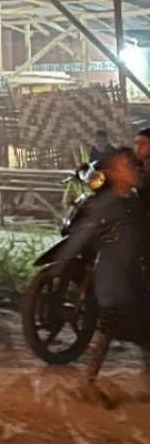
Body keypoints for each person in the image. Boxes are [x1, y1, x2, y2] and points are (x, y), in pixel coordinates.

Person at [58, 148, 150, 402]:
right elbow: (83, 234)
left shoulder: (132, 201)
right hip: (114, 277)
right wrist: (63, 259)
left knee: (142, 330)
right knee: (108, 327)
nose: (132, 170)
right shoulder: (110, 203)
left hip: (132, 277)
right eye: (124, 167)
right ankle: (85, 382)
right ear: (111, 173)